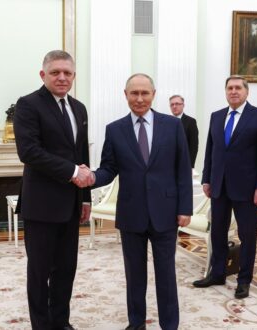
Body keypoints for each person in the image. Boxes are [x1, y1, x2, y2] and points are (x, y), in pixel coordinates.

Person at [78, 73, 193, 330]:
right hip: (132, 214)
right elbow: (109, 168)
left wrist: (185, 207)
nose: (139, 99)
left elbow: (182, 169)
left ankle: (169, 325)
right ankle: (136, 323)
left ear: (153, 94)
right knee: (134, 275)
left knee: (166, 274)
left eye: (145, 93)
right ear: (126, 95)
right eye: (134, 93)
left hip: (166, 212)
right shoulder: (115, 129)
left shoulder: (172, 126)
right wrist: (91, 177)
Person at [13, 50, 93, 330]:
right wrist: (73, 173)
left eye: (67, 73)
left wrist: (85, 198)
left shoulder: (79, 108)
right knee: (39, 272)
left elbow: (82, 154)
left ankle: (61, 322)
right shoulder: (28, 105)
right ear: (43, 74)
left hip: (71, 205)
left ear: (73, 76)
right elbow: (29, 152)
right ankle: (42, 325)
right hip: (42, 206)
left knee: (66, 270)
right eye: (56, 72)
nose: (62, 77)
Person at [192, 75, 257, 299]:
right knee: (217, 232)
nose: (234, 91)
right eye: (230, 88)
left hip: (247, 189)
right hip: (218, 186)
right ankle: (217, 273)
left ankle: (244, 280)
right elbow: (211, 151)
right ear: (225, 91)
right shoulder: (216, 117)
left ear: (246, 92)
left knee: (247, 235)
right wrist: (206, 179)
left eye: (238, 88)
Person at [169, 95, 199, 168]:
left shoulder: (191, 122)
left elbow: (193, 146)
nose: (174, 106)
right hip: (168, 164)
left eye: (177, 104)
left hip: (184, 164)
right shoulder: (166, 122)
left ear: (183, 105)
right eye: (172, 104)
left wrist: (190, 166)